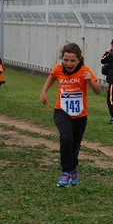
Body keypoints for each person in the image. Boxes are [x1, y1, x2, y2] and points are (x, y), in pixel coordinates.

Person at [41, 42, 102, 188]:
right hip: (61, 111)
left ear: (79, 59)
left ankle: (73, 168)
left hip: (80, 115)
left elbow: (99, 91)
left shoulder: (85, 71)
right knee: (66, 138)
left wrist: (90, 81)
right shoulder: (58, 69)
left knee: (75, 144)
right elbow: (52, 76)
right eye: (66, 60)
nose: (69, 63)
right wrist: (44, 91)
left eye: (73, 61)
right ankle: (65, 172)